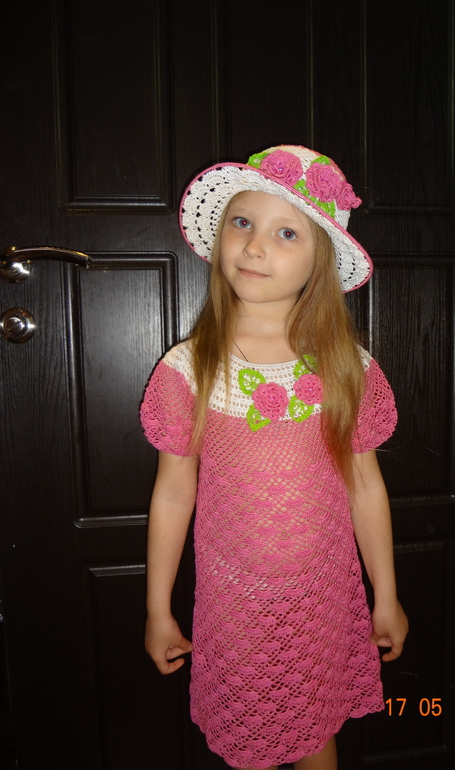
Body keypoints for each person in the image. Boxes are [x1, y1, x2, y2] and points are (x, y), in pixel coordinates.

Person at [140, 145, 408, 770]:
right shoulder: (189, 369)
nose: (255, 246)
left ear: (320, 261)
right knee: (250, 737)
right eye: (243, 222)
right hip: (233, 603)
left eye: (286, 233)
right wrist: (156, 608)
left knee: (316, 732)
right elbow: (173, 493)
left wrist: (386, 595)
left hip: (322, 597)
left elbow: (366, 486)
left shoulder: (346, 368)